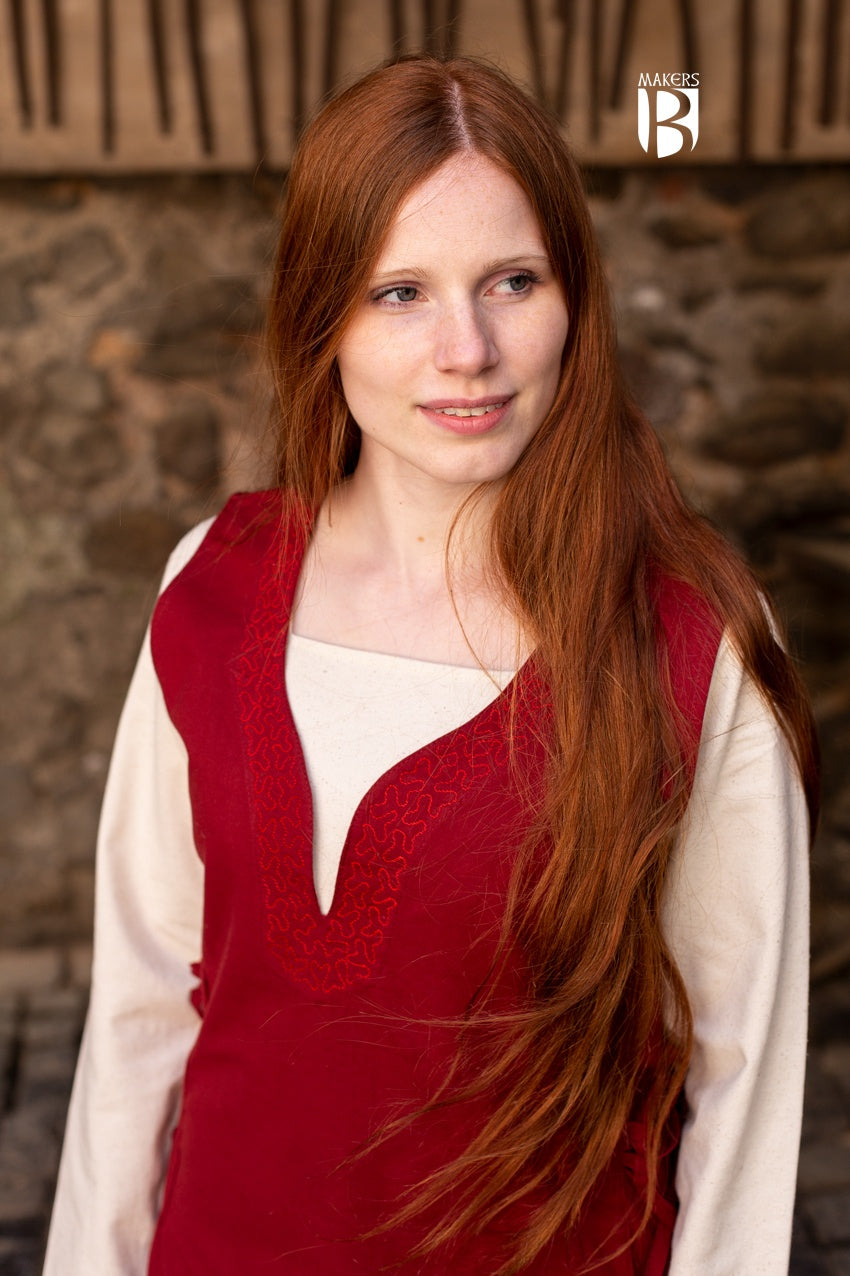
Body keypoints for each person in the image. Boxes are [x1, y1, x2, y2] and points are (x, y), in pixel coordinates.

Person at [44, 54, 817, 1276]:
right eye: (398, 292)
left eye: (512, 280)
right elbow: (140, 1010)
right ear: (321, 317)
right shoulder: (212, 583)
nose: (468, 348)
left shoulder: (684, 633)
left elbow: (740, 1077)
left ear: (575, 299)